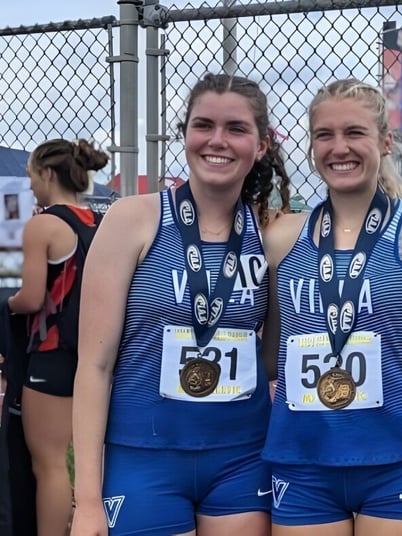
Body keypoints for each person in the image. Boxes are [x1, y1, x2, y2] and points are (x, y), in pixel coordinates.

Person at [71, 73, 291, 535]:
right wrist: (87, 501)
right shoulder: (133, 219)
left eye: (235, 129)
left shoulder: (273, 233)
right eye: (203, 125)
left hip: (242, 457)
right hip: (142, 457)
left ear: (262, 144)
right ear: (185, 133)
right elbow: (94, 365)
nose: (217, 141)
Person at [261, 78, 402, 535]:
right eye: (324, 135)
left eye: (354, 133)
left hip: (394, 459)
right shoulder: (279, 238)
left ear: (385, 141)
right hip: (303, 458)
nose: (339, 148)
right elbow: (272, 356)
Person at [6, 138, 107, 535]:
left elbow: (31, 298)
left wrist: (5, 304)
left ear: (47, 173)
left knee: (47, 465)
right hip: (94, 356)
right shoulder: (98, 221)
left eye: (31, 175)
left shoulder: (44, 224)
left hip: (50, 356)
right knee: (85, 462)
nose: (30, 185)